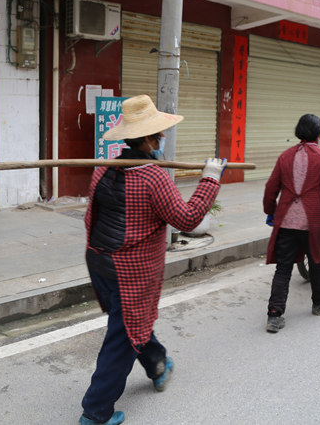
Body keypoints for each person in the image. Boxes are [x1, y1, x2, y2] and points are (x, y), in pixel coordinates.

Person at [80, 94, 227, 425]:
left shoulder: (104, 168)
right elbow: (186, 219)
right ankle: (96, 410)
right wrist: (211, 178)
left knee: (130, 321)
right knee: (122, 335)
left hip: (99, 261)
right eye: (159, 135)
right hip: (132, 272)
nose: (162, 139)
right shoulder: (153, 177)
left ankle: (157, 363)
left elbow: (92, 217)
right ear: (146, 139)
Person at [262, 113, 320, 333]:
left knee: (283, 268)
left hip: (286, 219)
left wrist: (270, 211)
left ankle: (274, 315)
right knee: (317, 262)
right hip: (313, 221)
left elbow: (271, 188)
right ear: (318, 134)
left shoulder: (285, 157)